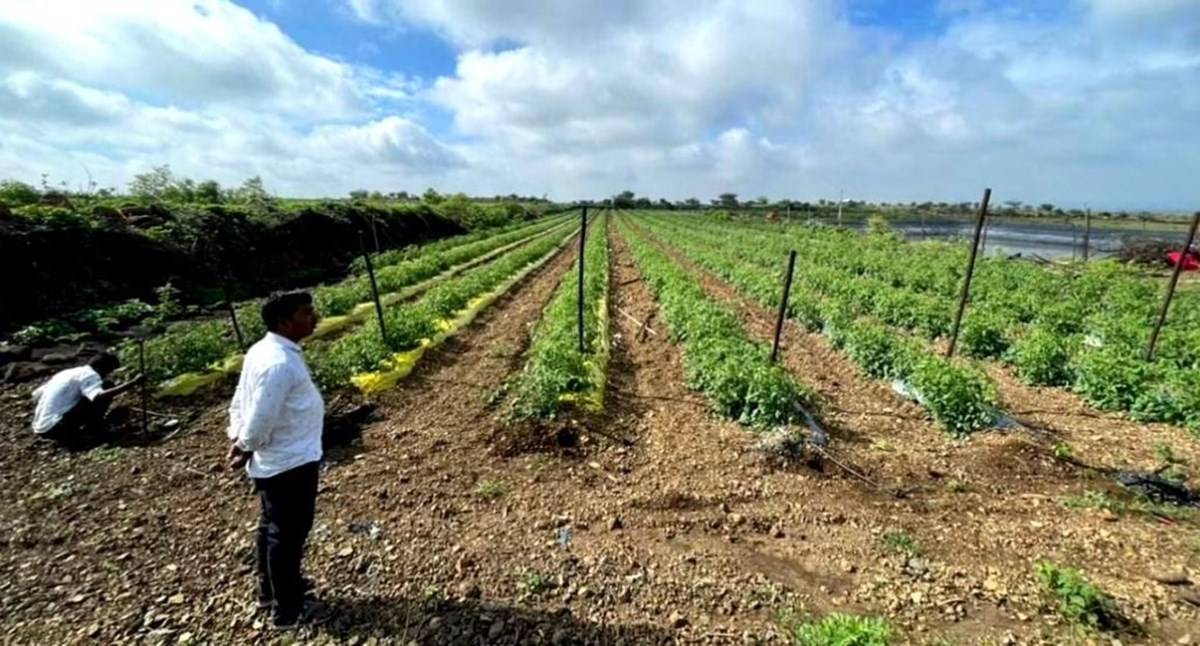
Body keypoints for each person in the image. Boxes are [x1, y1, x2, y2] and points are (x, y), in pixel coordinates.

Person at [225, 290, 331, 628]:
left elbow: (240, 401)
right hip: (288, 462)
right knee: (286, 536)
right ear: (285, 321)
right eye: (305, 312)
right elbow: (260, 415)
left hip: (283, 458)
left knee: (272, 526)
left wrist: (238, 439)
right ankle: (288, 610)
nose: (314, 317)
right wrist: (244, 445)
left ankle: (270, 591)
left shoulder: (265, 350)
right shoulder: (278, 363)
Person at [31, 353, 142, 447]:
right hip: (56, 427)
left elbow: (36, 395)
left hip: (40, 427)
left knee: (89, 394)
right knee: (106, 386)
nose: (108, 375)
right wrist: (132, 384)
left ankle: (85, 430)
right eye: (109, 371)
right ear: (103, 368)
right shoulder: (90, 375)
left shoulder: (68, 372)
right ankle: (95, 431)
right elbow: (98, 397)